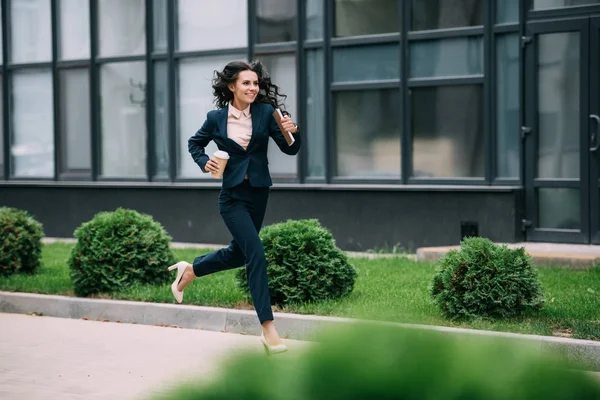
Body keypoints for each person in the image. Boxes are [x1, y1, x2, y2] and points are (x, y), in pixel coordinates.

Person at [167, 60, 301, 355]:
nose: (253, 88)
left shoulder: (266, 113)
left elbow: (290, 147)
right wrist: (205, 163)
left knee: (240, 253)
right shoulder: (215, 118)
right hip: (232, 198)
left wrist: (293, 129)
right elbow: (194, 143)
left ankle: (190, 270)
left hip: (258, 194)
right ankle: (268, 330)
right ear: (232, 87)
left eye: (255, 83)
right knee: (255, 253)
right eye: (246, 83)